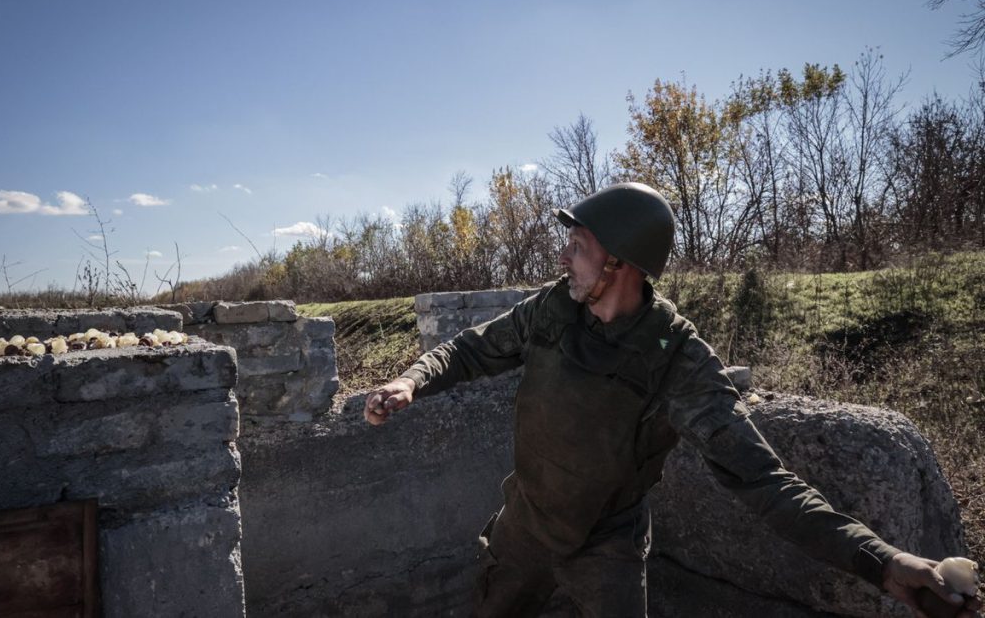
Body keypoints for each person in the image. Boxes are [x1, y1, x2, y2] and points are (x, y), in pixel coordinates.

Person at [364, 182, 981, 618]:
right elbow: (474, 347)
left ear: (620, 263)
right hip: (523, 524)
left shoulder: (678, 360)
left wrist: (881, 560)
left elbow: (766, 481)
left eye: (576, 244)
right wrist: (412, 380)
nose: (562, 256)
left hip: (606, 546)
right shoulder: (555, 307)